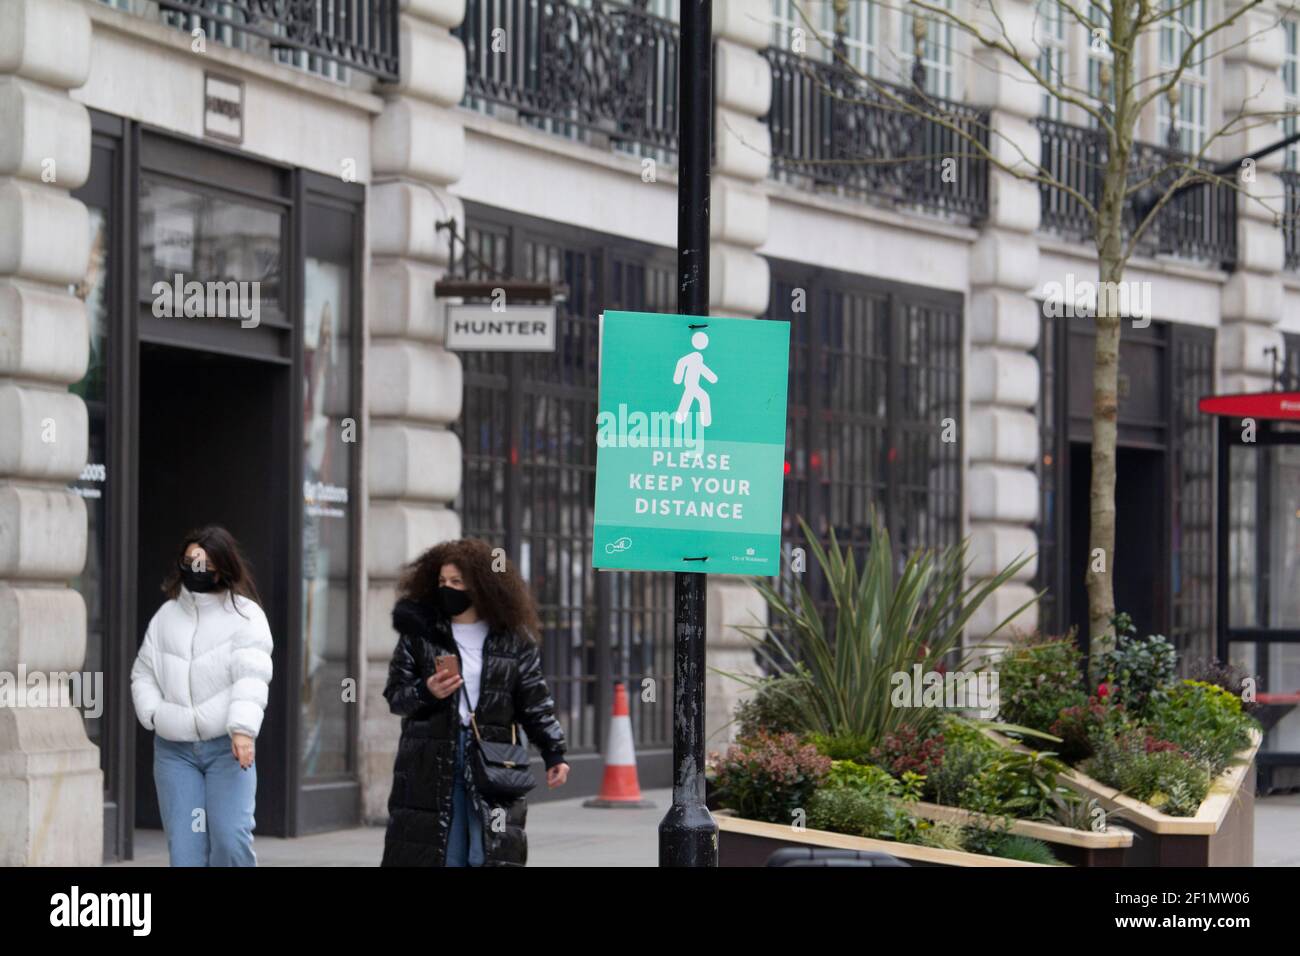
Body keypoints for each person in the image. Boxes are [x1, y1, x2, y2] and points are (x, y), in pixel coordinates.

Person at [381, 538, 569, 867]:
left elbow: (534, 700)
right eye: (442, 582)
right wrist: (427, 691)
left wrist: (554, 751)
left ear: (481, 585)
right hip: (432, 754)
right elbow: (396, 696)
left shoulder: (513, 638)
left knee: (488, 851)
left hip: (493, 756)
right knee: (443, 851)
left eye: (457, 582)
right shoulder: (420, 634)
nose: (448, 589)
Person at [130, 526, 274, 867]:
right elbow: (143, 673)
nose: (195, 569)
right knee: (186, 852)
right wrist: (154, 714)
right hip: (175, 753)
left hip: (226, 750)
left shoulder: (245, 615)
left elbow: (251, 676)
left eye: (204, 563)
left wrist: (242, 729)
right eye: (189, 561)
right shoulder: (166, 616)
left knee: (229, 839)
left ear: (222, 568)